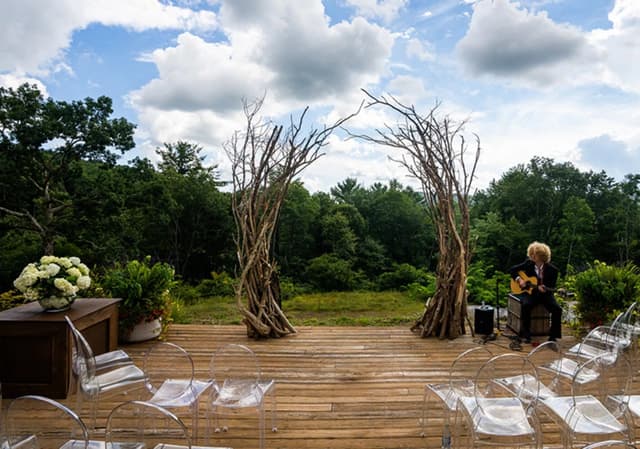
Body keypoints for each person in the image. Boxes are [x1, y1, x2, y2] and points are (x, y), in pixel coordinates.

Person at [509, 241, 562, 344]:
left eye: (535, 254)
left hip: (545, 294)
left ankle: (553, 336)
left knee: (557, 309)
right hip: (530, 293)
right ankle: (526, 334)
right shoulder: (528, 263)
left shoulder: (553, 270)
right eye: (531, 253)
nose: (532, 256)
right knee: (526, 305)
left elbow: (551, 287)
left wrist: (544, 289)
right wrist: (519, 280)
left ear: (542, 256)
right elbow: (512, 270)